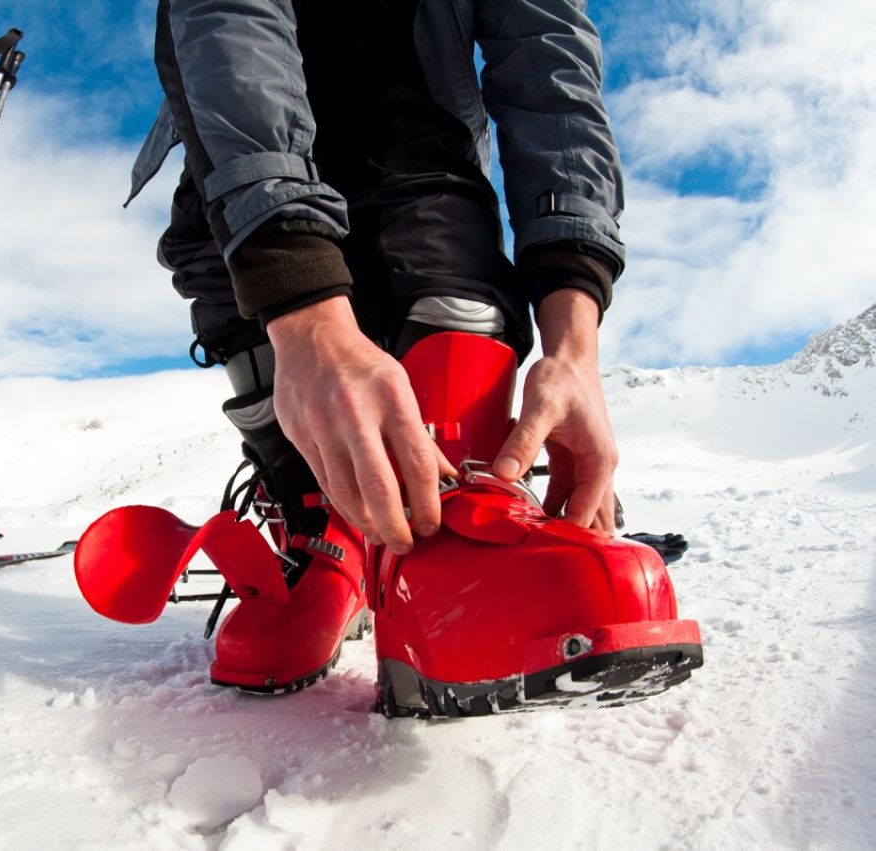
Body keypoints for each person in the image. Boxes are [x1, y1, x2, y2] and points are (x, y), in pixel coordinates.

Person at [125, 0, 630, 695]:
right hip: (237, 136)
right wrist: (300, 305)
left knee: (450, 294)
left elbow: (546, 55)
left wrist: (573, 342)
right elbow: (226, 18)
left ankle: (457, 531)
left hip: (412, 130)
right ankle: (324, 533)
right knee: (234, 288)